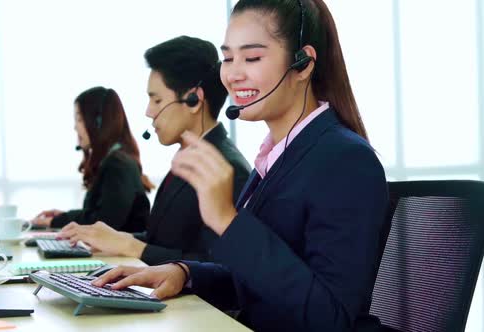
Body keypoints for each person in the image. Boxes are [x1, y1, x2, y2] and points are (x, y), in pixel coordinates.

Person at [90, 1, 388, 331]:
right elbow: (260, 281)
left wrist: (227, 221)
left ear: (302, 64)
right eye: (228, 58)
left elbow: (329, 317)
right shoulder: (279, 155)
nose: (232, 74)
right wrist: (185, 274)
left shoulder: (346, 160)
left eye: (252, 57)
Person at [58, 36, 251, 265]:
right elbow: (162, 242)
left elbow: (219, 265)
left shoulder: (227, 169)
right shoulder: (187, 161)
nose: (149, 112)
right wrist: (115, 239)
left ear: (193, 100)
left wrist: (131, 246)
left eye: (157, 100)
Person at [31, 87, 154, 233]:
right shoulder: (113, 160)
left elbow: (104, 223)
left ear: (99, 122)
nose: (75, 127)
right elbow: (100, 213)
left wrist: (56, 221)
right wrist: (63, 216)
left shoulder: (118, 164)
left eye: (79, 119)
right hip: (114, 254)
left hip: (122, 255)